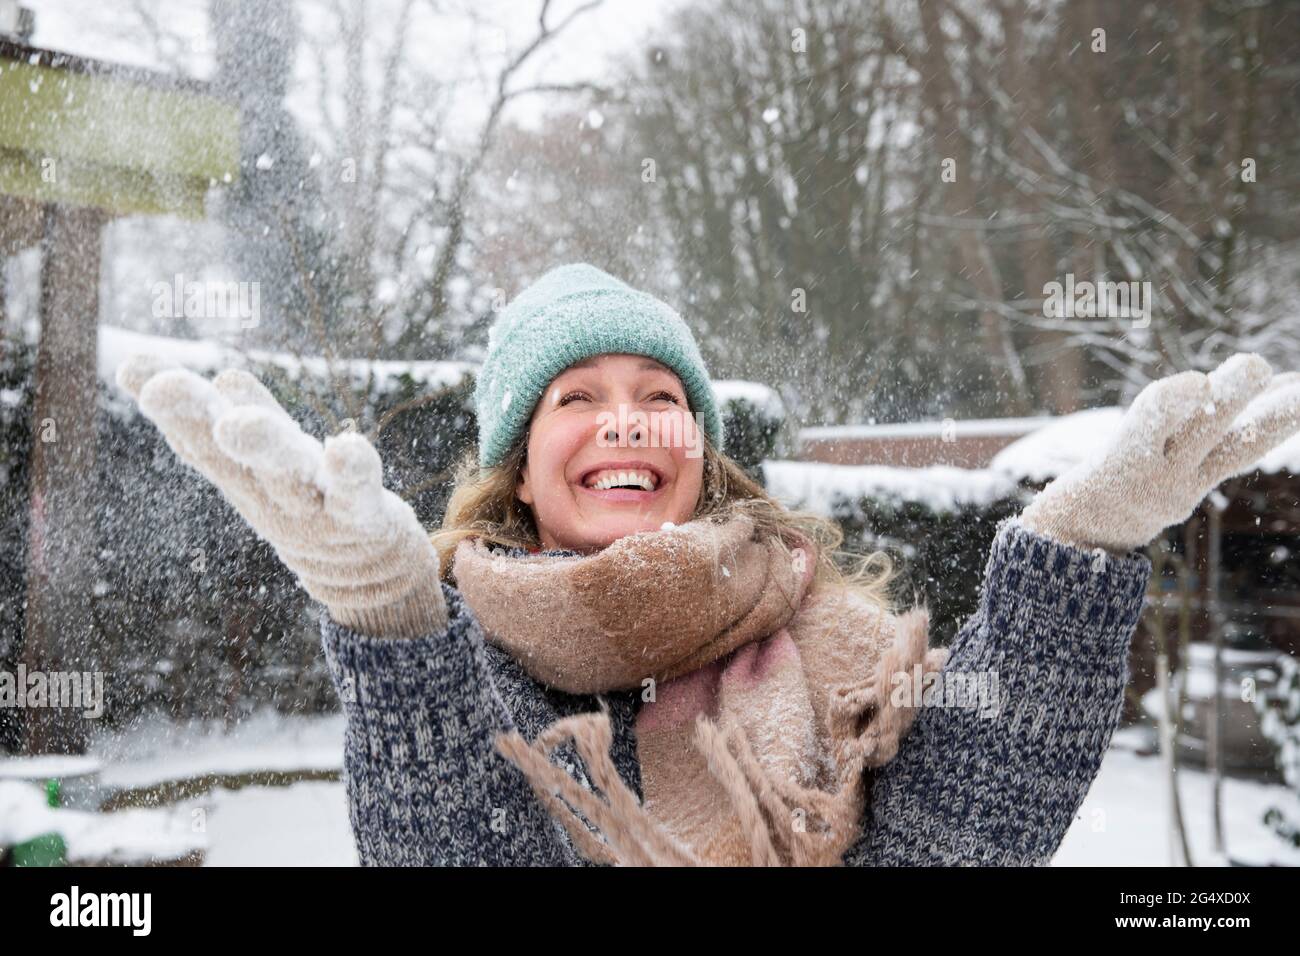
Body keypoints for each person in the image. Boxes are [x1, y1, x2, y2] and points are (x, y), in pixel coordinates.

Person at [116, 263, 1300, 866]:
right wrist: (384, 614)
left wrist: (1074, 549)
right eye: (576, 398)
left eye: (660, 397)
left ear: (703, 455)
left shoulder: (833, 646)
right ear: (519, 470)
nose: (625, 421)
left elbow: (966, 834)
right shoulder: (452, 676)